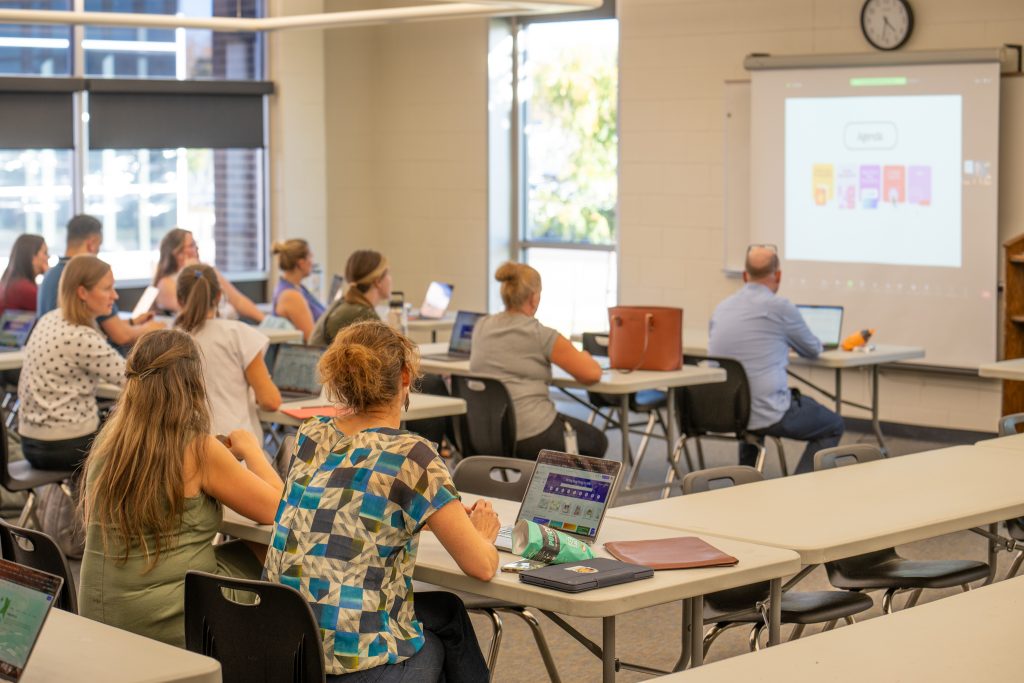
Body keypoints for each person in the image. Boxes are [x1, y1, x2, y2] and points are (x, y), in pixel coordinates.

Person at [263, 321, 497, 682]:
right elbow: (481, 566)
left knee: (447, 611)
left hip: (286, 649)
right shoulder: (411, 456)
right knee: (440, 639)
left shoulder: (310, 435)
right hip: (348, 665)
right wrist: (481, 534)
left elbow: (352, 504)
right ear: (405, 376)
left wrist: (428, 512)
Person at [79, 329, 284, 647]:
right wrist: (251, 449)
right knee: (273, 550)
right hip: (164, 619)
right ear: (192, 385)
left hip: (98, 611)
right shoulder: (197, 449)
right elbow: (277, 509)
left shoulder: (109, 439)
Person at [708, 244, 844, 474]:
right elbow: (812, 349)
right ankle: (799, 487)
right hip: (766, 411)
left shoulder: (722, 308)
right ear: (778, 275)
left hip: (728, 409)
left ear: (744, 275)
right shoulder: (780, 307)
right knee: (833, 424)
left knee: (750, 403)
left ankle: (743, 485)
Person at [470, 262, 607, 460]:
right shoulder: (540, 334)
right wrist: (585, 357)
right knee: (596, 442)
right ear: (534, 298)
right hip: (531, 434)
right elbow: (591, 374)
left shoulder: (481, 326)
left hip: (485, 433)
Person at [18, 255, 126, 471]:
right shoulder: (81, 337)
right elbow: (130, 378)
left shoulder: (50, 319)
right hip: (65, 446)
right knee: (135, 439)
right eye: (107, 289)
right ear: (82, 292)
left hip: (31, 441)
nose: (115, 295)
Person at [175, 263, 280, 441]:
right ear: (218, 296)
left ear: (179, 299)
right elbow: (270, 401)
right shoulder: (238, 334)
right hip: (237, 450)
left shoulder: (170, 341)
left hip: (187, 451)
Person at [37, 214, 163, 349]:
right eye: (107, 288)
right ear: (91, 244)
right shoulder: (89, 276)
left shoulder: (50, 274)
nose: (114, 295)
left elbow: (103, 325)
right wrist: (151, 328)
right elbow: (121, 335)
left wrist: (132, 322)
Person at [153, 228, 265, 323]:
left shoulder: (208, 271)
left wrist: (265, 320)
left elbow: (238, 300)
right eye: (192, 245)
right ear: (177, 253)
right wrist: (192, 271)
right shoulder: (165, 283)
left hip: (228, 330)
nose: (197, 248)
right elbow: (195, 310)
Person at [311, 249, 389, 346]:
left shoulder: (346, 304)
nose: (390, 279)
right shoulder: (363, 315)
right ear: (378, 281)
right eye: (387, 273)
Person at [271, 238, 325, 342]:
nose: (312, 261)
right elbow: (312, 339)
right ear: (301, 263)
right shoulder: (291, 296)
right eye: (310, 256)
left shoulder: (297, 287)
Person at [0, 234, 48, 314]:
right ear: (33, 257)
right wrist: (49, 276)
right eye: (45, 253)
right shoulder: (23, 289)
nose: (47, 258)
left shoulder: (10, 283)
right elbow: (49, 310)